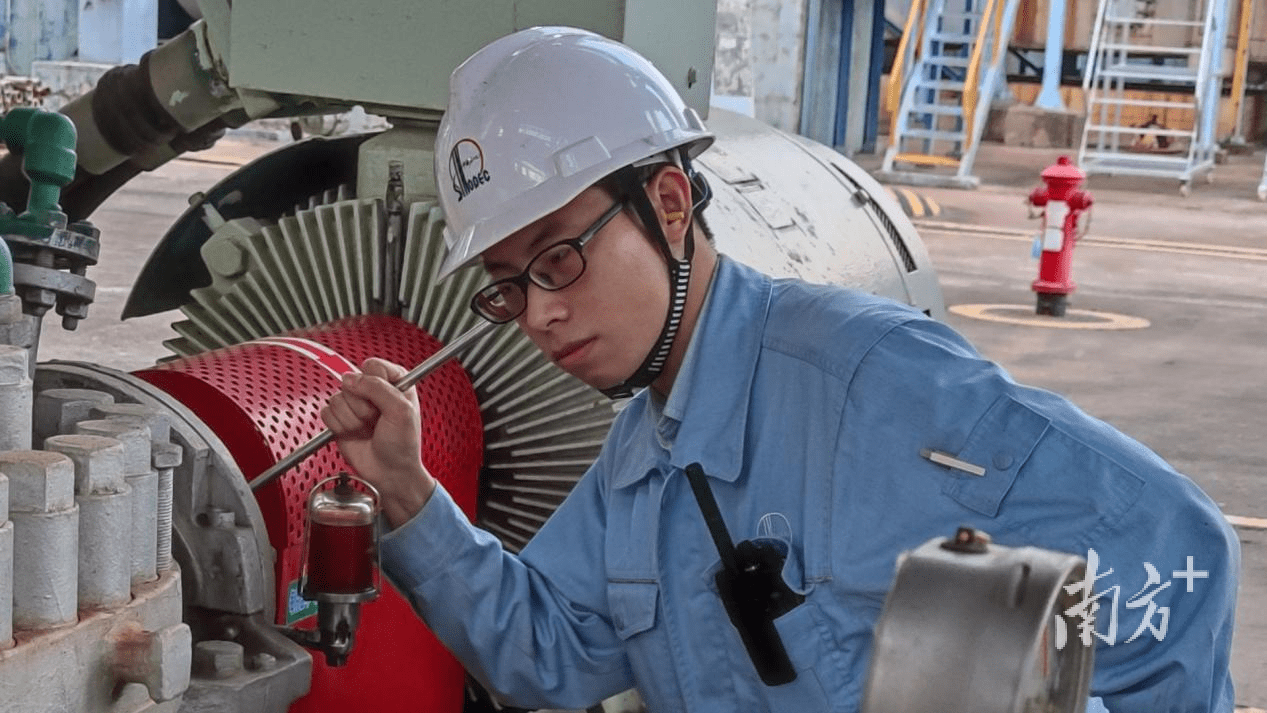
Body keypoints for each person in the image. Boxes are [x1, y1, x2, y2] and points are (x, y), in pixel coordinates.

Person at [321, 26, 1239, 713]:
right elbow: (550, 652)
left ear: (669, 205)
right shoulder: (641, 461)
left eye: (558, 261)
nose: (540, 313)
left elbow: (1177, 545)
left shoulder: (866, 384)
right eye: (507, 288)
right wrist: (405, 491)